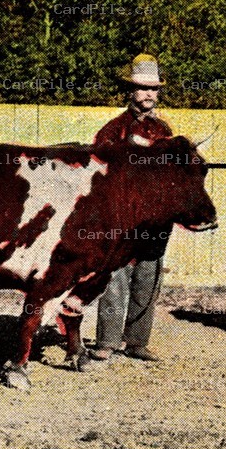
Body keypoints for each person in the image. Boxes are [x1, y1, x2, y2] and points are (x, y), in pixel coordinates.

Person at [91, 53, 174, 363]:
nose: (149, 94)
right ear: (130, 91)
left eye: (154, 88)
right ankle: (107, 342)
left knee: (148, 277)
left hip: (154, 222)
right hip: (122, 220)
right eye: (142, 88)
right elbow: (99, 171)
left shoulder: (164, 130)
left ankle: (137, 342)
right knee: (115, 278)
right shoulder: (113, 130)